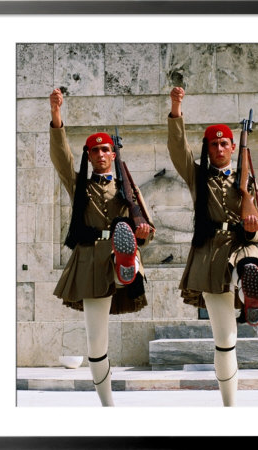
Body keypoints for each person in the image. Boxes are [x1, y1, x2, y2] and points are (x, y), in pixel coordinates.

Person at [49, 88, 154, 406]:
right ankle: (107, 405)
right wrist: (57, 117)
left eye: (105, 150)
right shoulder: (81, 186)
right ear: (89, 156)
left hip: (119, 250)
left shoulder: (130, 188)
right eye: (94, 152)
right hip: (90, 261)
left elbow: (148, 226)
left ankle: (127, 265)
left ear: (114, 154)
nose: (100, 155)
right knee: (96, 344)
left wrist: (143, 233)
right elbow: (61, 158)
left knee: (126, 234)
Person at [167, 87, 258, 407]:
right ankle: (230, 407)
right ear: (208, 149)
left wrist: (253, 229)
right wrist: (176, 109)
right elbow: (177, 149)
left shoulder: (247, 181)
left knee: (251, 264)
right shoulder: (198, 177)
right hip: (210, 256)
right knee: (225, 341)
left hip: (241, 247)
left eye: (226, 142)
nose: (221, 147)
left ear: (232, 147)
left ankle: (250, 290)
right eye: (215, 143)